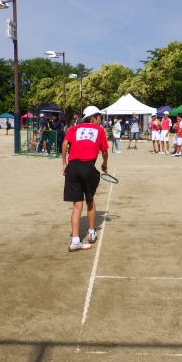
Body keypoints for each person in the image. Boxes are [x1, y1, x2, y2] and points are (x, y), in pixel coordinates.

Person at [62, 105, 109, 252]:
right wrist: (105, 163)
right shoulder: (99, 130)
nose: (100, 120)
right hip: (88, 167)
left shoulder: (74, 128)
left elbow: (65, 144)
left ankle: (75, 240)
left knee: (77, 205)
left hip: (72, 168)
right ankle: (91, 232)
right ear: (93, 118)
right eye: (99, 117)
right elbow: (105, 151)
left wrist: (64, 164)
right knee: (90, 200)